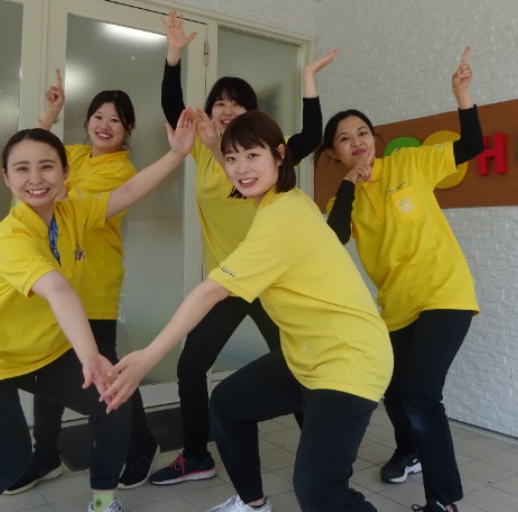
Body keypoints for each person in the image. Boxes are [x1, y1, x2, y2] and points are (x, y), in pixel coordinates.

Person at [103, 110, 393, 512]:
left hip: (349, 359)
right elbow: (243, 174)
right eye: (232, 158)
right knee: (229, 404)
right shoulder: (288, 199)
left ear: (279, 155)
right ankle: (253, 504)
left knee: (318, 491)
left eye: (252, 156)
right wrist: (211, 146)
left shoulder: (278, 220)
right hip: (307, 353)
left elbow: (209, 292)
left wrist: (148, 356)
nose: (240, 168)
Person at [0, 112, 195, 512]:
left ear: (66, 173)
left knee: (113, 399)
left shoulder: (72, 213)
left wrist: (177, 154)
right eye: (22, 169)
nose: (36, 178)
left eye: (47, 166)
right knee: (7, 461)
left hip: (45, 353)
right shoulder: (10, 236)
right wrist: (90, 356)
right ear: (6, 178)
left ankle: (102, 502)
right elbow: (57, 289)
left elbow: (129, 191)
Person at [149, 9, 338, 486]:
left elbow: (312, 136)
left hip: (274, 283)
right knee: (191, 366)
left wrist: (308, 80)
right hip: (228, 283)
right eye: (220, 102)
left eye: (237, 103)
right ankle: (196, 456)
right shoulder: (201, 146)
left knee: (299, 365)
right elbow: (172, 106)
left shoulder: (268, 153)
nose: (227, 109)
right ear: (209, 112)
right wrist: (173, 56)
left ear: (254, 116)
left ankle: (323, 454)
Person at [314, 47, 484, 512]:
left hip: (445, 292)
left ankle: (443, 502)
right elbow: (334, 239)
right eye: (344, 139)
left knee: (422, 394)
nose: (357, 142)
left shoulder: (410, 164)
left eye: (362, 133)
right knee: (393, 390)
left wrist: (462, 94)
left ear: (375, 138)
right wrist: (350, 183)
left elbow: (471, 146)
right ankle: (411, 450)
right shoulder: (343, 199)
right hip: (395, 305)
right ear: (333, 153)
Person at [4, 70, 159, 495]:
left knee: (110, 373)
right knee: (48, 364)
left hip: (94, 284)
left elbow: (57, 198)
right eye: (98, 116)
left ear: (128, 128)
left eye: (115, 120)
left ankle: (142, 445)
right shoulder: (72, 152)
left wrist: (44, 181)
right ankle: (45, 455)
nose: (104, 125)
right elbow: (33, 154)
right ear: (87, 120)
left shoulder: (120, 169)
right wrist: (49, 113)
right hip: (55, 280)